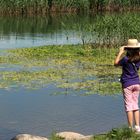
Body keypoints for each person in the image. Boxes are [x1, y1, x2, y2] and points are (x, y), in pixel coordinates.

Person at [114, 39, 140, 132]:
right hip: (137, 83)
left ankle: (130, 128)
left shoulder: (125, 59)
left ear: (127, 49)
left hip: (127, 84)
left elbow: (115, 63)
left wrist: (120, 52)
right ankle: (138, 127)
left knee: (129, 106)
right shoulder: (138, 58)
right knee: (135, 106)